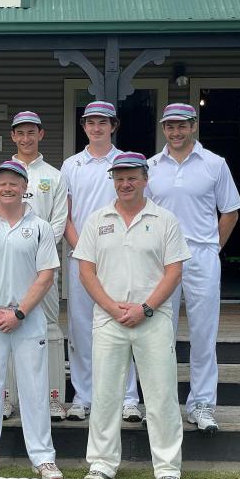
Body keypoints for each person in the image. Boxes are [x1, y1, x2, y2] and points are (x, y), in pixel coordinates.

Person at [74, 152, 190, 479]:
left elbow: (174, 271)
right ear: (113, 180)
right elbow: (86, 270)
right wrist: (111, 307)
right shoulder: (98, 219)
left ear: (145, 179)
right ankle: (101, 464)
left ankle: (168, 468)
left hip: (152, 318)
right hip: (109, 319)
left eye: (132, 178)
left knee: (161, 394)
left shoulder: (165, 219)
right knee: (106, 394)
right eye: (120, 178)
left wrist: (146, 307)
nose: (125, 184)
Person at [0, 160, 63, 479]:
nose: (7, 188)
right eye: (2, 183)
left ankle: (44, 458)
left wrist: (19, 313)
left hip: (28, 318)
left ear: (24, 188)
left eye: (14, 183)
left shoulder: (41, 227)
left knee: (34, 388)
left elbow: (46, 275)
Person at [147, 103, 240, 433]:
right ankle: (161, 403)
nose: (175, 132)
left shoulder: (215, 165)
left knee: (204, 333)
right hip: (161, 259)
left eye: (181, 126)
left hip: (201, 256)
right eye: (170, 126)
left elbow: (230, 212)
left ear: (193, 126)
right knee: (159, 333)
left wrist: (212, 249)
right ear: (163, 129)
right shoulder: (151, 167)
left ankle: (201, 404)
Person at [61, 101, 141, 422]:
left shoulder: (126, 162)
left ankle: (128, 397)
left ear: (113, 126)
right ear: (83, 127)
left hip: (120, 256)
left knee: (123, 322)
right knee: (81, 328)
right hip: (82, 257)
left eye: (103, 123)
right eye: (91, 122)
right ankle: (83, 396)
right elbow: (65, 216)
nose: (96, 128)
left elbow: (135, 203)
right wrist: (84, 251)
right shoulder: (71, 166)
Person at [0, 111, 68, 421]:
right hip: (5, 269)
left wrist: (39, 256)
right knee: (5, 324)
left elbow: (58, 221)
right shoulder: (0, 175)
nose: (25, 138)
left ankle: (52, 398)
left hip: (42, 269)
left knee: (47, 329)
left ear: (40, 134)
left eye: (31, 132)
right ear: (13, 136)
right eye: (20, 133)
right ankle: (6, 398)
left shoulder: (54, 176)